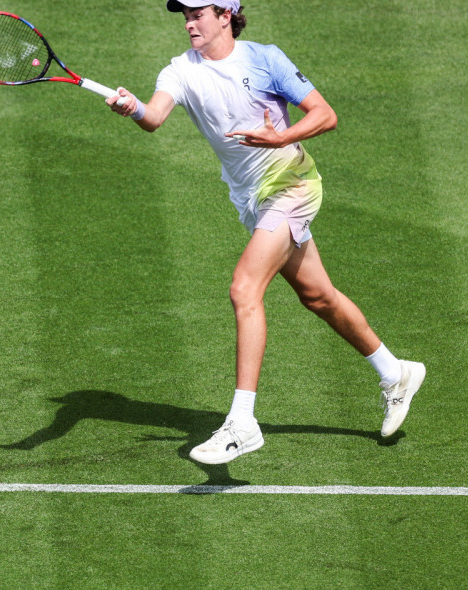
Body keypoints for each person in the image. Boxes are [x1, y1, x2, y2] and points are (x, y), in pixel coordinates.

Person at [107, 0, 425, 465]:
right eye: (185, 15)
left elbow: (325, 114)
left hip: (293, 186)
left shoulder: (264, 59)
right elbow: (154, 117)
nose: (189, 23)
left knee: (244, 288)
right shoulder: (180, 70)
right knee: (318, 296)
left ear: (225, 15)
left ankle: (242, 423)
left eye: (198, 13)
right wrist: (131, 106)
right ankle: (396, 373)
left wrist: (280, 137)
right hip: (253, 200)